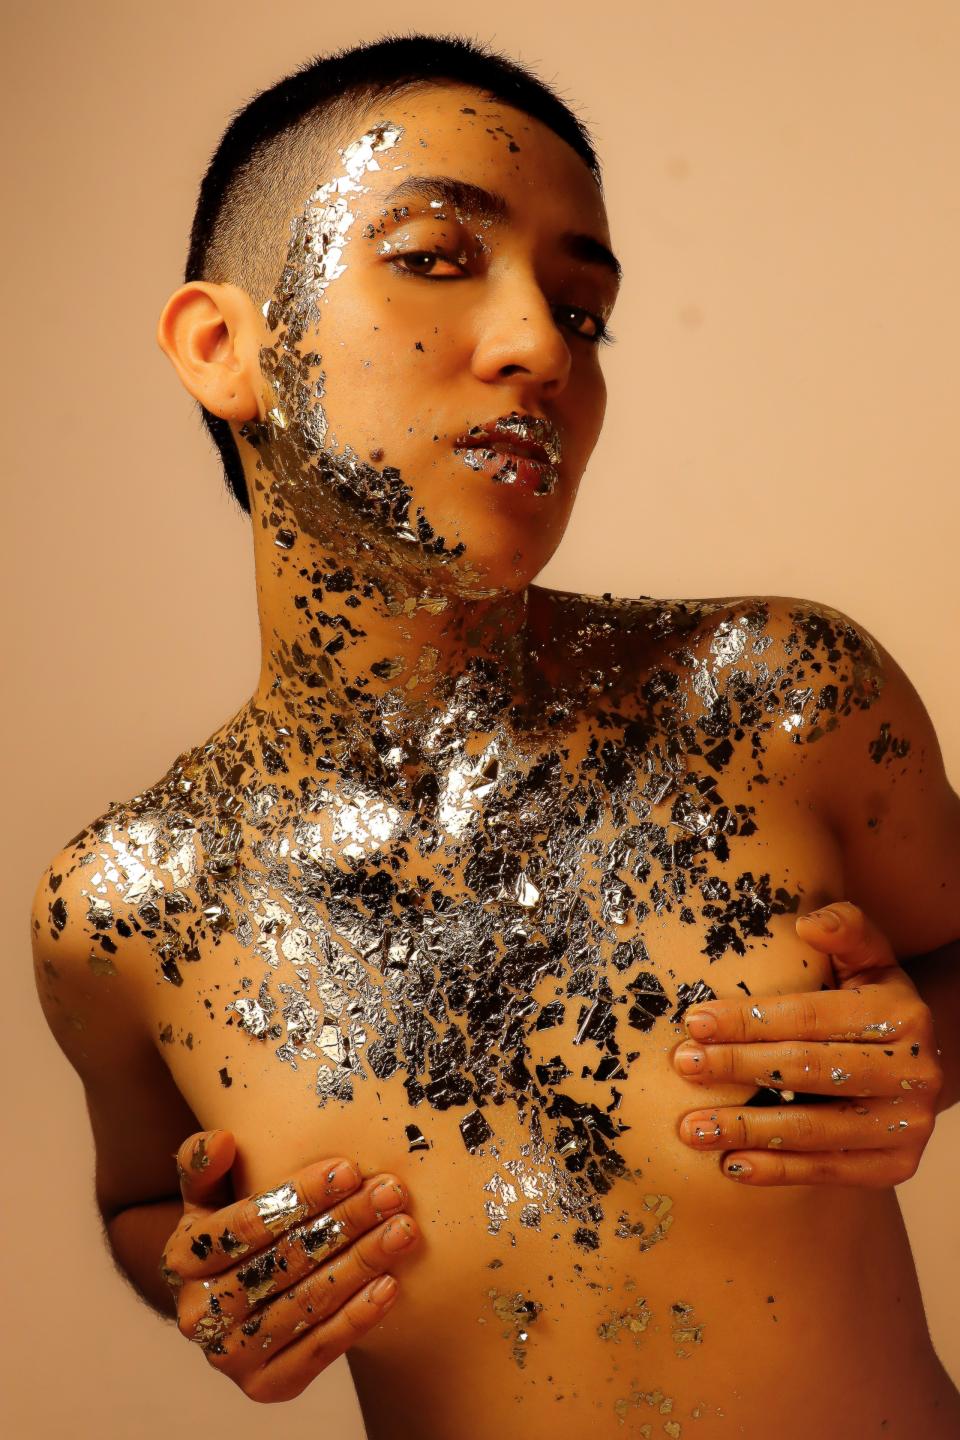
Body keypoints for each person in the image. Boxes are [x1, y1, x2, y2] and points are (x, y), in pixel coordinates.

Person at [32, 31, 960, 1439]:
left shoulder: (777, 701)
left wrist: (931, 1052)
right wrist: (195, 1276)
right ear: (224, 348)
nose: (540, 346)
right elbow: (140, 1203)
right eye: (434, 257)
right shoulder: (127, 911)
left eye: (583, 311)